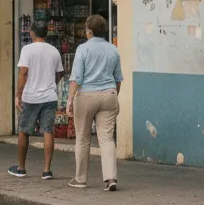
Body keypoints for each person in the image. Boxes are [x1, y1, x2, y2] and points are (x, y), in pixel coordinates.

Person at [67, 15, 123, 191]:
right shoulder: (113, 49)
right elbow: (118, 78)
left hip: (86, 96)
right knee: (106, 138)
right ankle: (111, 178)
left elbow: (76, 78)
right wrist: (114, 95)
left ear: (89, 31)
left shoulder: (83, 49)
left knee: (83, 138)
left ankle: (80, 179)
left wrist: (69, 99)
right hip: (109, 95)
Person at [8, 21, 64, 180]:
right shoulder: (54, 51)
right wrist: (50, 84)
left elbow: (23, 72)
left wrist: (18, 94)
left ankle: (21, 168)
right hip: (49, 97)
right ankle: (47, 170)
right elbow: (60, 74)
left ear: (32, 33)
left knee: (24, 131)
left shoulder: (27, 50)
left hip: (31, 97)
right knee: (48, 131)